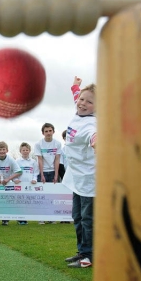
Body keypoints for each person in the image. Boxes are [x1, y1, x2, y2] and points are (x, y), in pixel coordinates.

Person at [63, 76, 97, 268]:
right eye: (82, 99)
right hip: (76, 177)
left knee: (87, 220)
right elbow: (77, 93)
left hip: (89, 180)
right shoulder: (79, 110)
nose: (83, 103)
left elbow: (95, 136)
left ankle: (89, 256)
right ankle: (82, 251)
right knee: (77, 217)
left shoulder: (91, 124)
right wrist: (76, 85)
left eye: (89, 102)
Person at [0, 141, 22, 226]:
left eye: (3, 149)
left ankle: (5, 220)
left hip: (7, 184)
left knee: (6, 201)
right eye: (0, 149)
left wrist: (9, 178)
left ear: (7, 150)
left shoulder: (10, 160)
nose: (2, 151)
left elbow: (19, 171)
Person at [14, 142, 39, 225]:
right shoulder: (17, 161)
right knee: (20, 202)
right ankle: (20, 219)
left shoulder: (33, 161)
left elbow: (35, 172)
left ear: (29, 151)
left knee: (27, 202)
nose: (25, 151)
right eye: (23, 150)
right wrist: (15, 179)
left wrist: (34, 179)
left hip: (30, 185)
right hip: (20, 185)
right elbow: (14, 172)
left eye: (27, 150)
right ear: (20, 151)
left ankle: (25, 218)